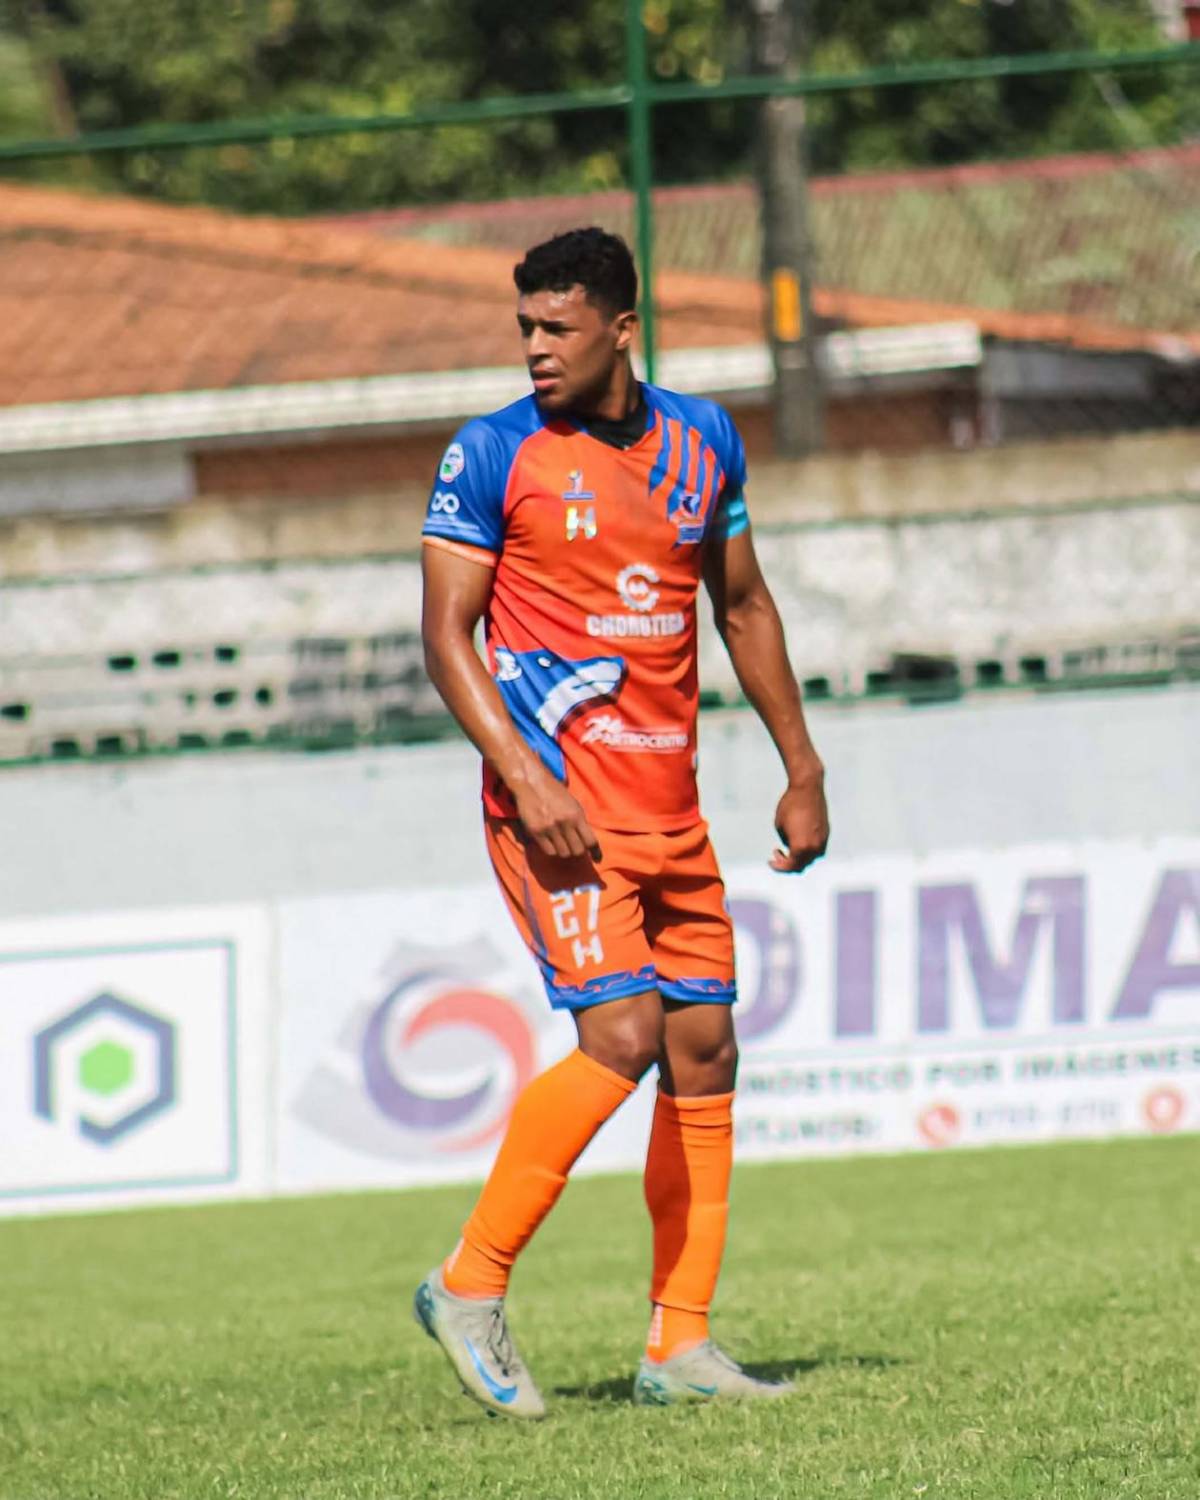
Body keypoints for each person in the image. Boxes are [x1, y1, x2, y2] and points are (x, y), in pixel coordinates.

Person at [414, 228, 828, 1418]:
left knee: (705, 1050)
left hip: (673, 812)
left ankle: (679, 1345)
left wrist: (800, 765)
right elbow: (448, 636)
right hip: (557, 815)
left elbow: (742, 607)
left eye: (557, 327)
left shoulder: (705, 440)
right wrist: (524, 775)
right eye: (525, 330)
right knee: (627, 1034)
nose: (536, 349)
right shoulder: (492, 452)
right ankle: (468, 1283)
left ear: (621, 328)